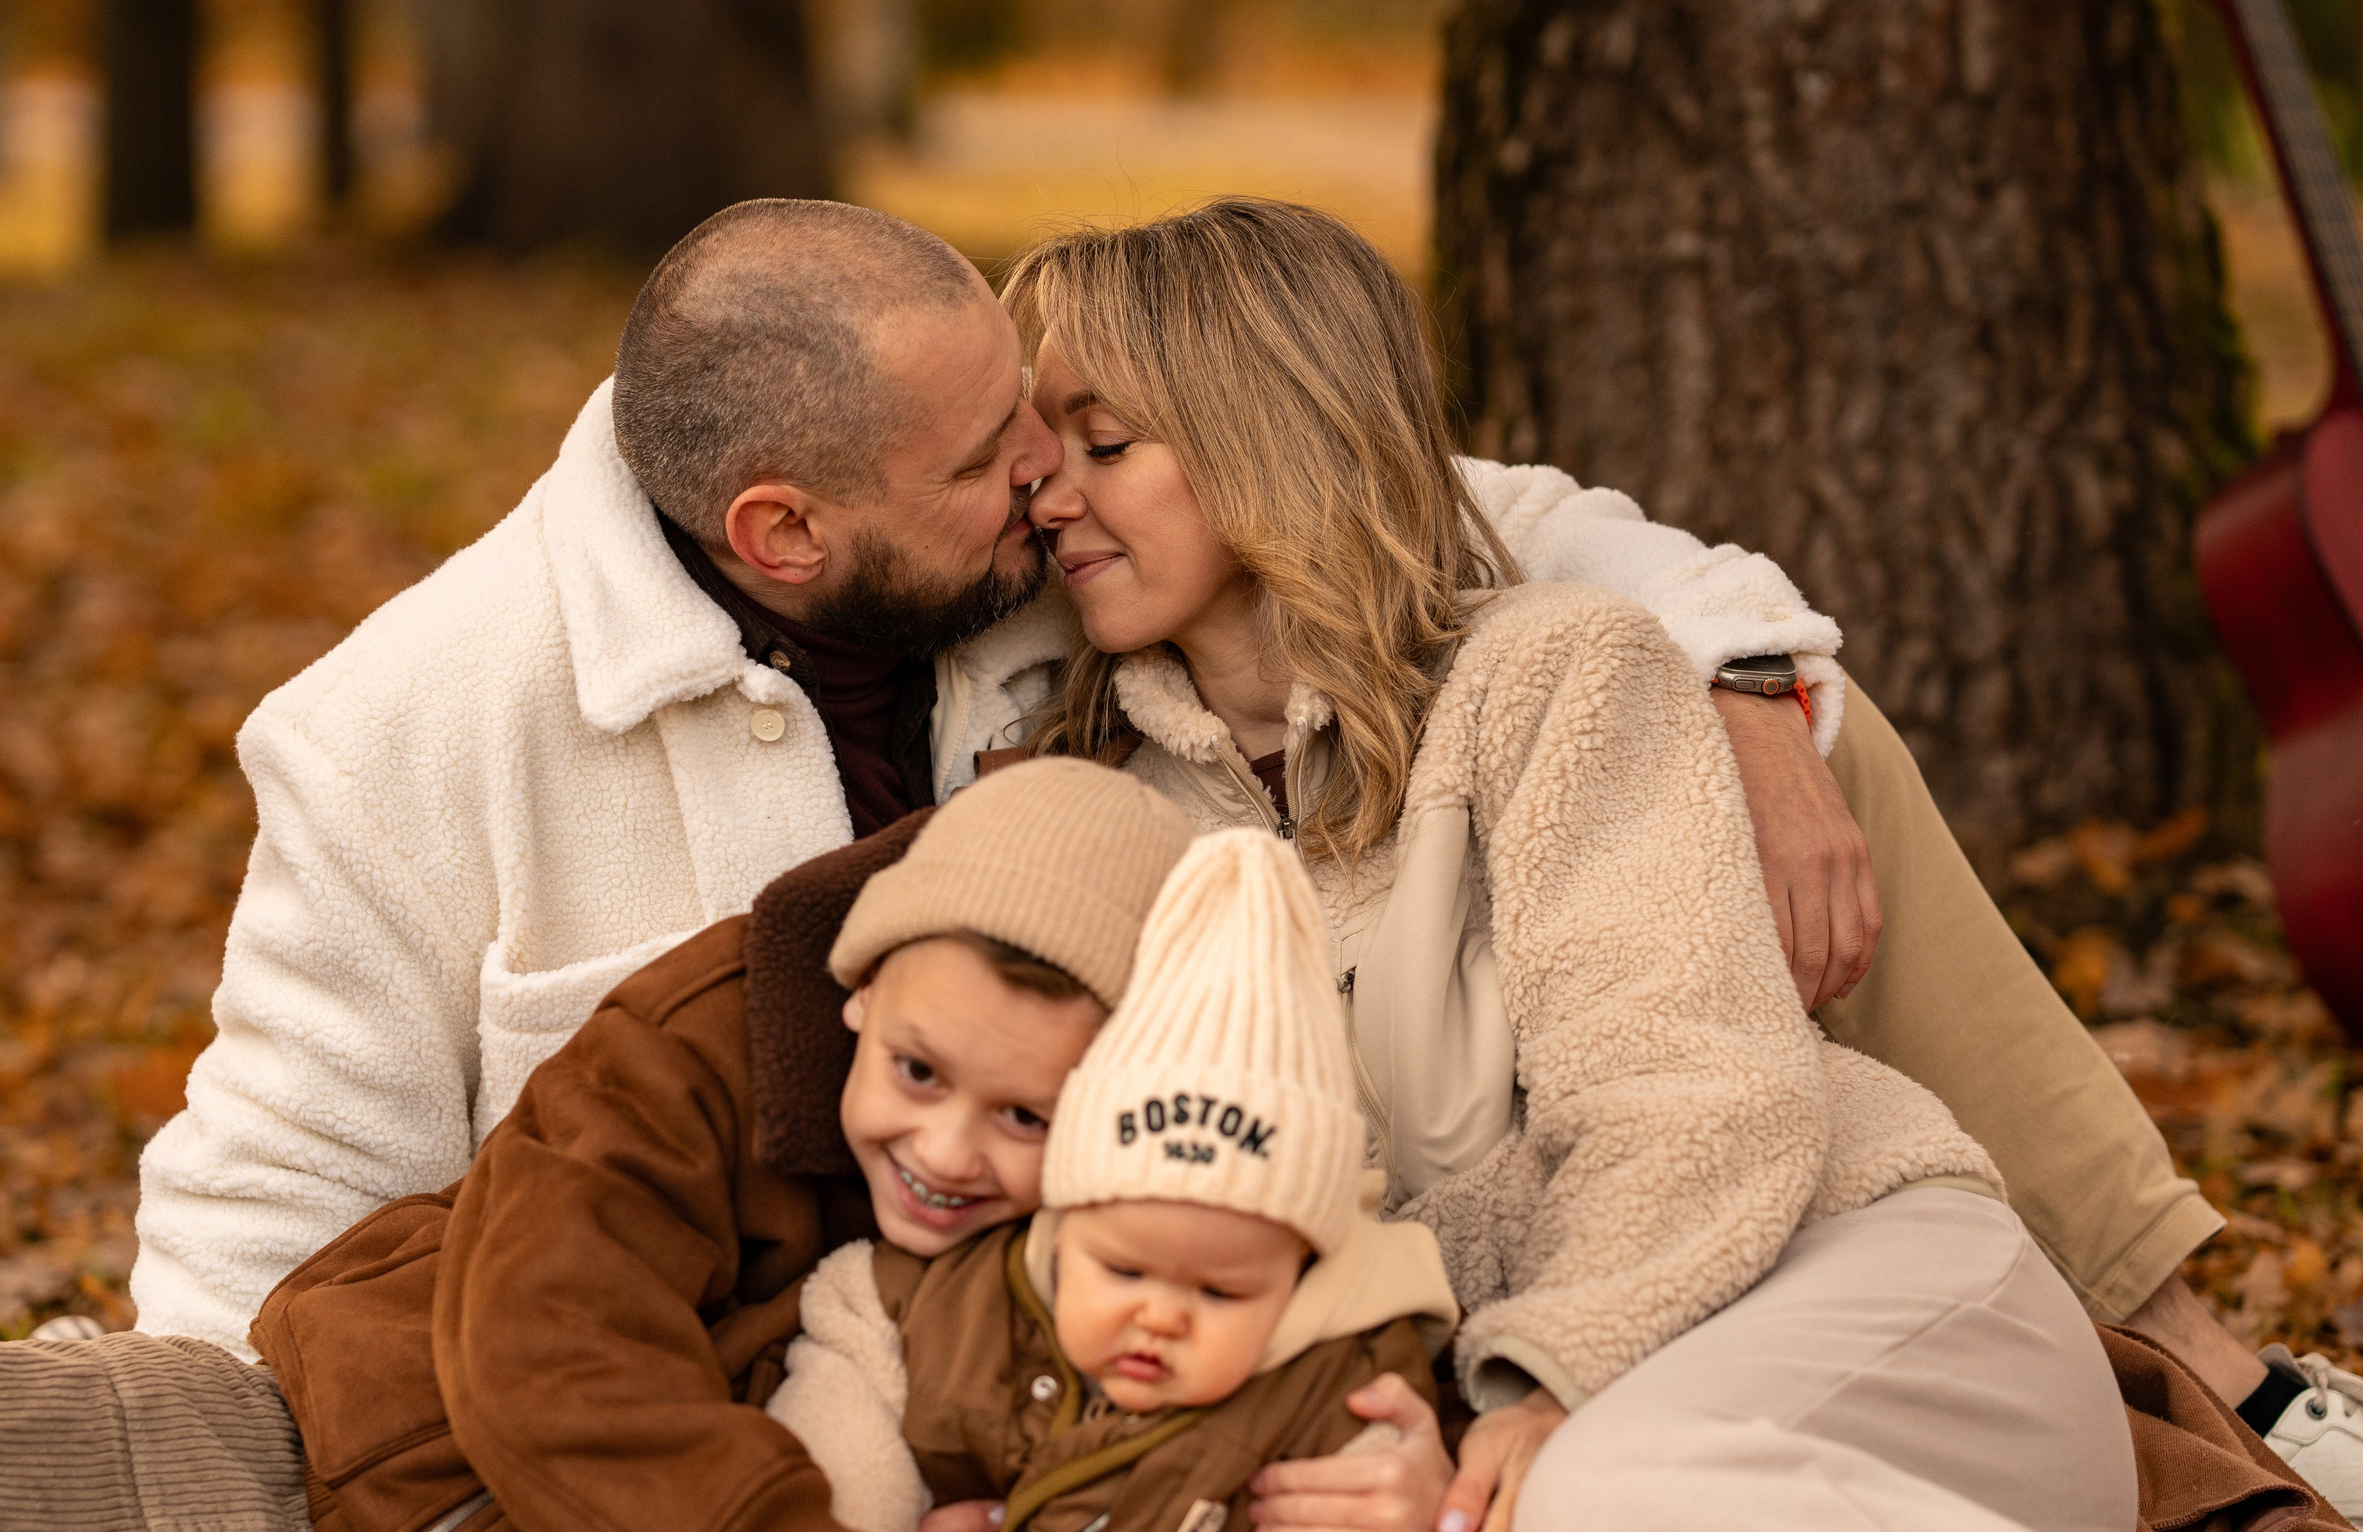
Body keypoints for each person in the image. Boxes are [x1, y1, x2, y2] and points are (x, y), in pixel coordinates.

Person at [123, 197, 1895, 1378]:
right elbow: (276, 1195)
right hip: (742, 1380)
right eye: (990, 457)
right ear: (787, 533)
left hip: (1102, 1310)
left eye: (1047, 425)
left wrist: (1738, 667)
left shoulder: (1025, 534)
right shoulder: (400, 735)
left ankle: (2123, 1291)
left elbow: (1402, 495)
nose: (1047, 474)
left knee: (1827, 751)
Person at [987, 195, 2363, 1532]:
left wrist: (1542, 1387)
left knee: (1598, 1507)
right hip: (1588, 1450)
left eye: (1105, 443)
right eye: (1041, 457)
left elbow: (1694, 1096)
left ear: (1269, 437)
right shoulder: (1107, 809)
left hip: (1853, 1305)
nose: (1052, 495)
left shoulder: (1553, 670)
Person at [0, 762, 1197, 1532]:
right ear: (858, 990)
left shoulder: (1140, 1250)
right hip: (323, 1429)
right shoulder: (723, 1029)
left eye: (1027, 1114)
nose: (948, 1149)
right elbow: (549, 1330)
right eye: (916, 1073)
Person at [547, 828, 1465, 1532]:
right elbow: (848, 1422)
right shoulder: (961, 1300)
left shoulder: (1333, 1403)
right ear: (1061, 1222)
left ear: (1302, 1269)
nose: (1161, 1316)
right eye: (1122, 1268)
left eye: (1222, 1291)